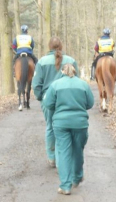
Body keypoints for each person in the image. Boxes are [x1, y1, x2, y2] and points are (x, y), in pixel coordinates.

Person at [43, 63, 94, 195]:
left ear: (62, 72)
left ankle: (65, 186)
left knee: (64, 152)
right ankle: (76, 178)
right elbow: (90, 103)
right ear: (75, 71)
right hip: (80, 124)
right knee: (78, 150)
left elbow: (48, 104)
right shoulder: (83, 85)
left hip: (61, 124)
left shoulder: (55, 85)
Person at [32, 37, 79, 168]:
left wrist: (41, 98)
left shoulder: (41, 62)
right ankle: (66, 156)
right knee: (67, 128)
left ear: (49, 47)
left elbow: (36, 84)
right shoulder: (71, 60)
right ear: (61, 46)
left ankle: (52, 158)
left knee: (50, 127)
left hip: (49, 99)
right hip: (68, 98)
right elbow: (78, 81)